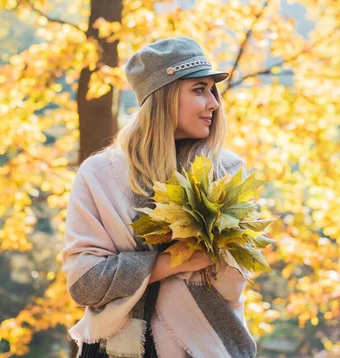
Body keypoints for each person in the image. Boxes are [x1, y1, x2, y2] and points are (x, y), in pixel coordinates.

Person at [61, 36, 257, 358]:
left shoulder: (228, 171)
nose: (214, 103)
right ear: (163, 97)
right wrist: (169, 262)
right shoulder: (99, 176)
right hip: (116, 349)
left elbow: (234, 283)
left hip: (208, 346)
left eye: (212, 90)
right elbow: (85, 285)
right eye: (199, 89)